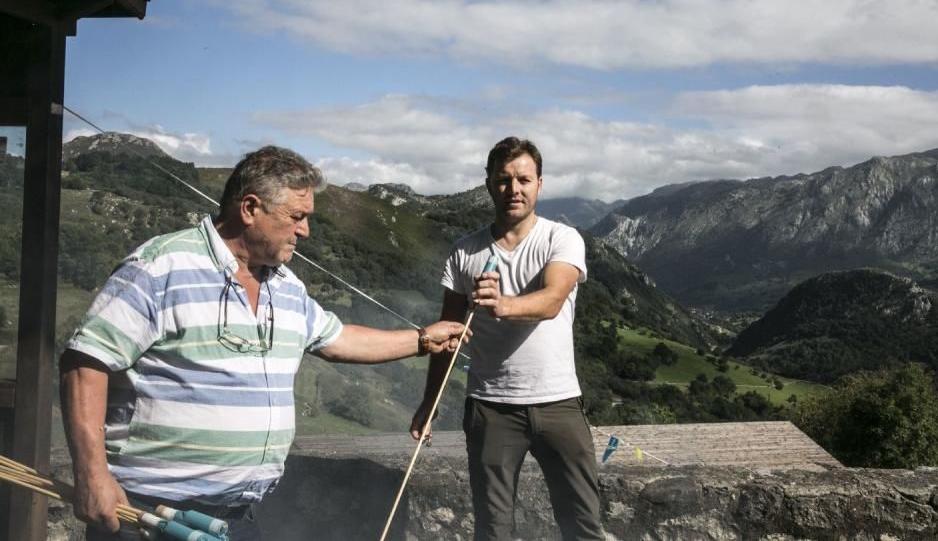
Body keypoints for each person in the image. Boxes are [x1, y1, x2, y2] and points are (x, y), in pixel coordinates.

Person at [60, 146, 471, 540]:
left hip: (236, 519)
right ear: (250, 208)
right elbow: (86, 363)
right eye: (296, 216)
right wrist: (92, 475)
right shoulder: (161, 267)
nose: (305, 230)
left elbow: (339, 339)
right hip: (150, 514)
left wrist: (422, 339)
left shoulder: (285, 286)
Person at [409, 136, 603, 540]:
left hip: (559, 403)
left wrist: (501, 304)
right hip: (491, 408)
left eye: (523, 180)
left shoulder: (562, 239)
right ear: (488, 184)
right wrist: (429, 403)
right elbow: (448, 333)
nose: (513, 189)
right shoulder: (464, 252)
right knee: (493, 530)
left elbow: (551, 300)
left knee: (583, 524)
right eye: (503, 180)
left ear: (539, 184)